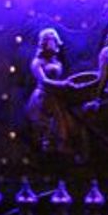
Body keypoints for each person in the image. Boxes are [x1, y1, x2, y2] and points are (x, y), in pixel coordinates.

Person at [25, 27, 75, 155]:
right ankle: (47, 151)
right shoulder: (37, 62)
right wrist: (63, 84)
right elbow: (44, 81)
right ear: (44, 43)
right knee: (46, 126)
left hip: (55, 97)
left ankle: (60, 148)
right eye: (50, 41)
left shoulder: (57, 61)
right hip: (42, 98)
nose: (53, 44)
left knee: (62, 123)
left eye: (54, 41)